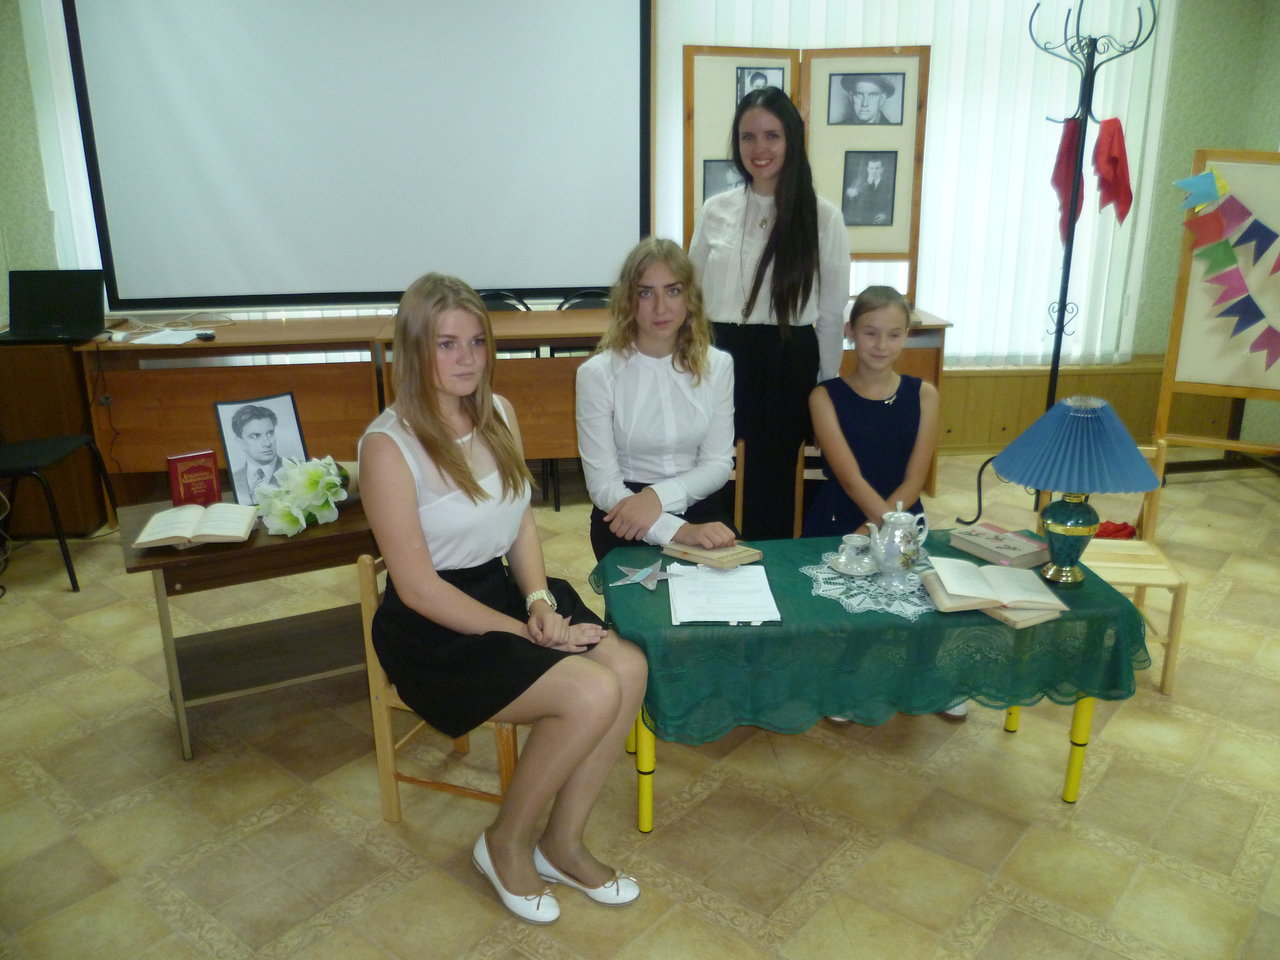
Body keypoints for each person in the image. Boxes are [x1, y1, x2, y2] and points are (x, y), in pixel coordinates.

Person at [359, 273, 648, 923]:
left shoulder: (498, 413)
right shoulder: (387, 446)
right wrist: (527, 634)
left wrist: (540, 601)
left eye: (477, 342)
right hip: (433, 627)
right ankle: (504, 843)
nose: (467, 359)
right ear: (414, 350)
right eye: (446, 344)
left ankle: (561, 844)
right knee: (590, 692)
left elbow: (518, 521)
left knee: (628, 668)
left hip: (503, 587)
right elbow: (419, 588)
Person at [689, 86, 850, 541]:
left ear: (791, 139)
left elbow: (831, 316)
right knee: (710, 470)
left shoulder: (823, 217)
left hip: (786, 359)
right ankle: (709, 558)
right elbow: (692, 299)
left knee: (773, 480)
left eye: (771, 136)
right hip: (718, 355)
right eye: (748, 137)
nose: (759, 148)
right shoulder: (715, 210)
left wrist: (827, 390)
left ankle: (767, 565)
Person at [576, 237, 737, 561]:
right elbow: (602, 483)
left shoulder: (718, 365)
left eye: (673, 291)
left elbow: (718, 464)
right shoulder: (597, 374)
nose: (661, 308)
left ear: (689, 297)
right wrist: (677, 531)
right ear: (628, 301)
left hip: (700, 505)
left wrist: (656, 498)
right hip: (622, 512)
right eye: (646, 293)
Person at [229, 404, 283, 504]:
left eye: (270, 434)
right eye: (255, 436)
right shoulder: (234, 479)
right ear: (239, 442)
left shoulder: (297, 470)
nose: (267, 443)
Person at [843, 157, 893, 226]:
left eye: (877, 168)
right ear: (868, 169)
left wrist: (886, 215)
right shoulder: (857, 183)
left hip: (880, 225)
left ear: (882, 170)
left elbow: (892, 204)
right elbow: (846, 203)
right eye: (871, 168)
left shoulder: (888, 186)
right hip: (858, 223)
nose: (874, 171)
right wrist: (849, 194)